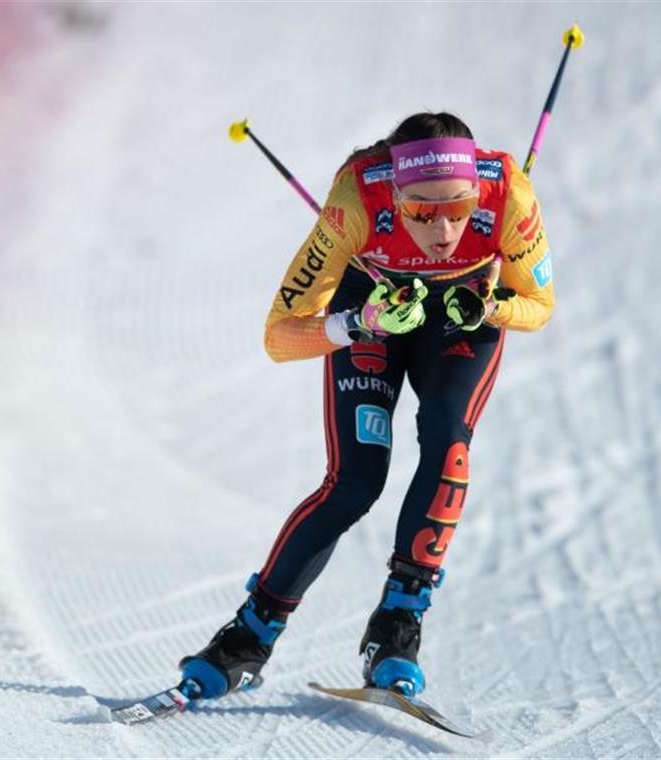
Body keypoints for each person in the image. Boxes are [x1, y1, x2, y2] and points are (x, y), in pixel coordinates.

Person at [179, 112, 555, 699]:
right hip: (374, 306)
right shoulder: (356, 201)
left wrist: (493, 307)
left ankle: (397, 626)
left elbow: (540, 304)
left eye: (458, 207)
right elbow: (279, 335)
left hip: (463, 309)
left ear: (477, 192)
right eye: (422, 212)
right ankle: (248, 638)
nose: (444, 229)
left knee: (448, 439)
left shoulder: (509, 195)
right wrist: (358, 322)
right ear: (395, 195)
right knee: (355, 483)